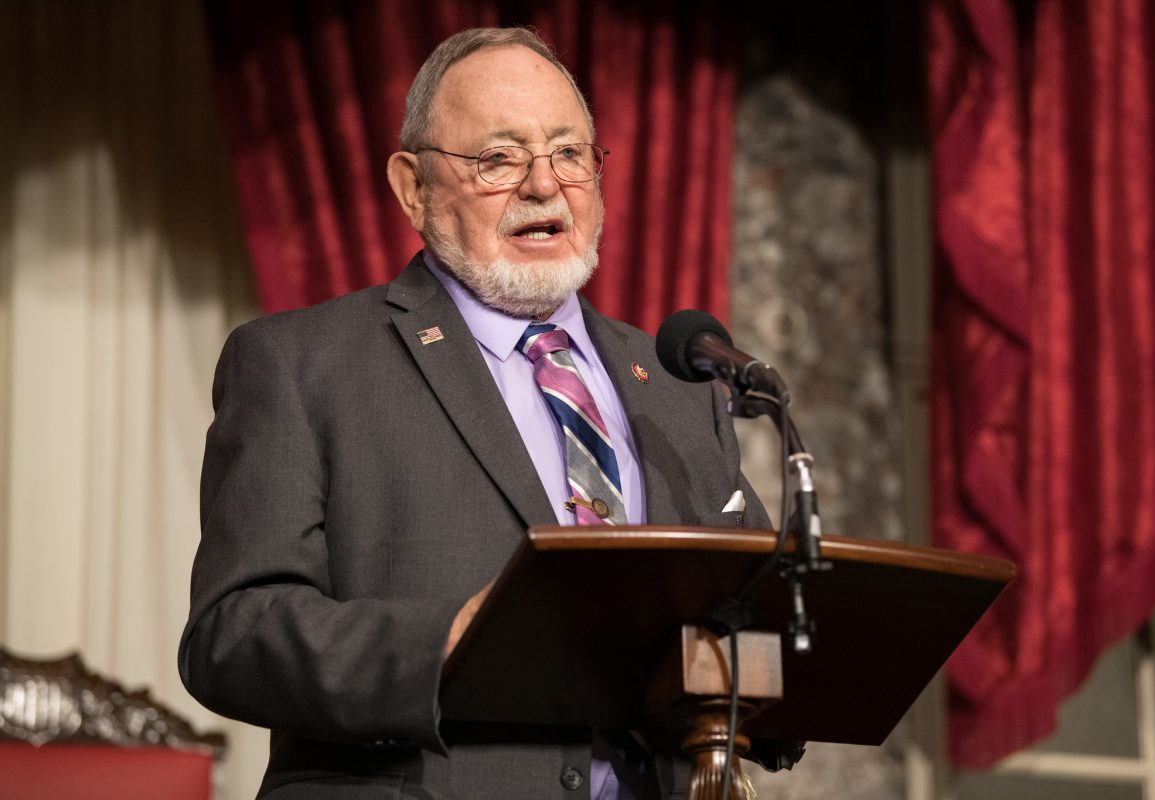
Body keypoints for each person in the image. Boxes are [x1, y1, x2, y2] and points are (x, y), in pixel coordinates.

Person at [180, 27, 770, 800]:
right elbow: (234, 635)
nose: (543, 185)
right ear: (412, 188)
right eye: (498, 158)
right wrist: (446, 647)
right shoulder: (301, 364)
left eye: (569, 153)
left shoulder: (678, 380)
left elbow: (758, 609)